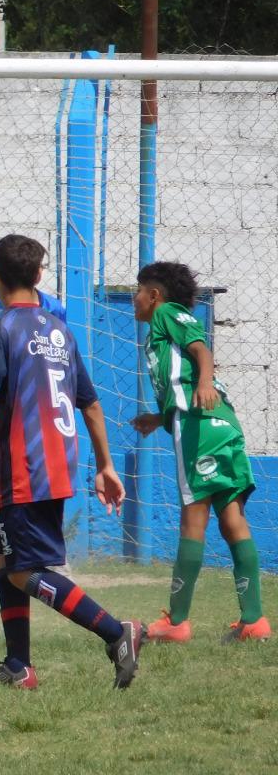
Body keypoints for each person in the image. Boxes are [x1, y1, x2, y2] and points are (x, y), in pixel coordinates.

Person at [0, 234, 142, 690]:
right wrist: (105, 465)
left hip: (25, 467)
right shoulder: (59, 330)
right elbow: (89, 403)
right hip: (59, 462)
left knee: (24, 570)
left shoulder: (0, 328)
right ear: (39, 276)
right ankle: (18, 666)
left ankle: (116, 632)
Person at [130, 261, 269, 642]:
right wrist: (159, 418)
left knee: (193, 518)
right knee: (232, 518)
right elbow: (184, 376)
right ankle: (253, 622)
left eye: (139, 289)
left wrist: (205, 382)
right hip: (222, 422)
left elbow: (200, 352)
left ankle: (176, 623)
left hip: (199, 427)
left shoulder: (167, 313)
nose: (134, 298)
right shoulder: (162, 324)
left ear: (154, 295)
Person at [0, 280, 68, 670]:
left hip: (29, 436)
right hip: (1, 425)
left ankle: (114, 631)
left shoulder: (54, 312)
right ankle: (18, 663)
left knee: (13, 560)